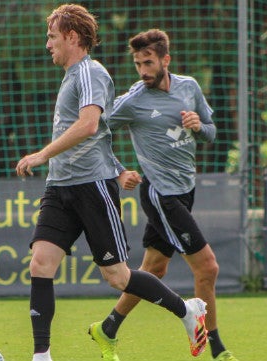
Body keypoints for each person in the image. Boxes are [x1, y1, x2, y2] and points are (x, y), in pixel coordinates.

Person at [16, 6, 208, 361]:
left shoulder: (91, 73)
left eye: (52, 37)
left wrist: (42, 154)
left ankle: (187, 311)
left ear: (72, 37)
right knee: (40, 264)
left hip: (92, 188)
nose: (48, 45)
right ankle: (41, 356)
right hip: (59, 187)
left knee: (118, 277)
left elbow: (90, 125)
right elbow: (101, 135)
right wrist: (119, 167)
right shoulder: (71, 75)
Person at [98, 29, 239, 361]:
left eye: (148, 62)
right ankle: (216, 349)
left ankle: (107, 328)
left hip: (186, 191)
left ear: (165, 60)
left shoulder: (188, 87)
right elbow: (95, 132)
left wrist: (198, 127)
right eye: (137, 64)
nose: (143, 70)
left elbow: (212, 132)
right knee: (208, 268)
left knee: (154, 270)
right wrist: (120, 170)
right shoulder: (133, 101)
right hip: (161, 195)